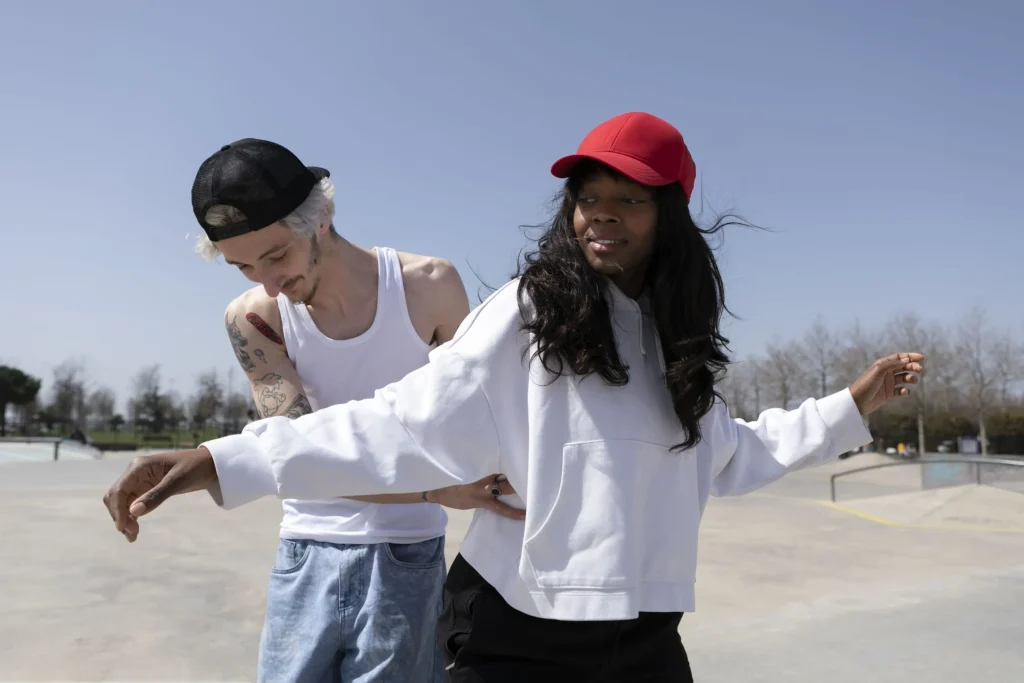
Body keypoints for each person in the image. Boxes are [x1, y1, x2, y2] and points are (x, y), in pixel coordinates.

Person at [105, 113, 925, 682]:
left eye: (627, 201)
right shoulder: (531, 310)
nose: (601, 218)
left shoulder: (673, 347)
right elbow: (405, 420)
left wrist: (849, 407)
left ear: (667, 213)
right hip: (516, 635)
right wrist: (225, 459)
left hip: (645, 642)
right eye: (587, 199)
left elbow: (738, 452)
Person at [115, 138, 523, 683]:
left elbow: (474, 422)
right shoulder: (254, 319)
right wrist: (435, 489)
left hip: (406, 553)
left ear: (322, 215)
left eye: (277, 254)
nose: (268, 281)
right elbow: (301, 455)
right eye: (242, 266)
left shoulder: (428, 288)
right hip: (303, 553)